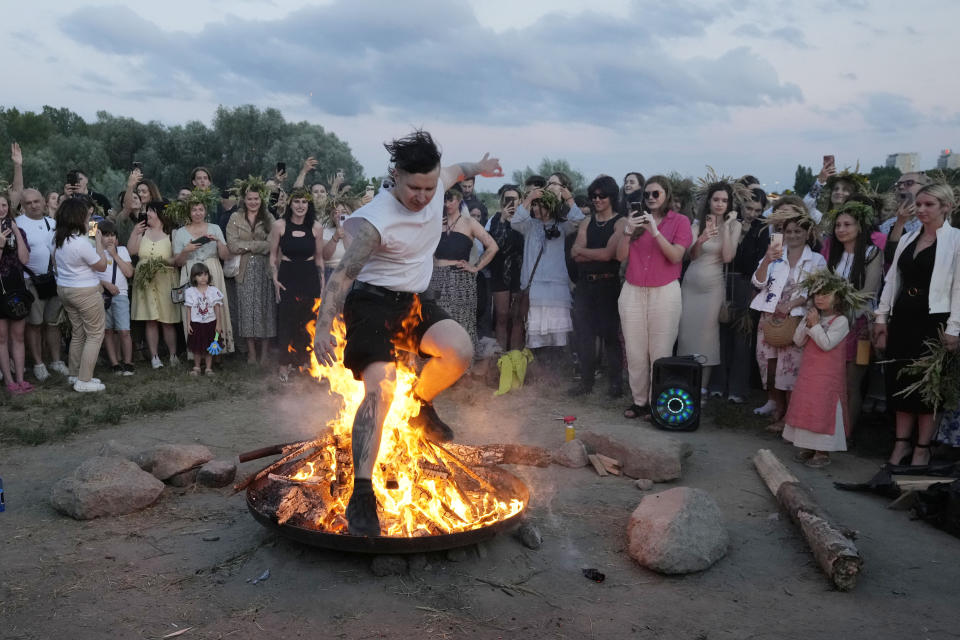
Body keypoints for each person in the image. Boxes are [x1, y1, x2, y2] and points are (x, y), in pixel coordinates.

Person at [313, 130, 501, 537]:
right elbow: (343, 275)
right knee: (381, 388)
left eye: (429, 187)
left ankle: (419, 405)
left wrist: (481, 168)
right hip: (371, 303)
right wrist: (324, 327)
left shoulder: (437, 184)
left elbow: (460, 170)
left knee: (459, 350)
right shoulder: (375, 222)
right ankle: (362, 491)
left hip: (412, 300)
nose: (422, 196)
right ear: (395, 176)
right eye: (414, 187)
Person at [874, 184, 960, 466]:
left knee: (927, 388)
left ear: (946, 207)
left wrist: (954, 328)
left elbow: (959, 288)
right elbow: (891, 280)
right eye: (919, 204)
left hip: (934, 321)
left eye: (929, 205)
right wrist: (881, 318)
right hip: (902, 319)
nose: (921, 210)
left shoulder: (956, 240)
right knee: (900, 381)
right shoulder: (909, 238)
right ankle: (900, 445)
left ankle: (922, 448)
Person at [616, 175, 693, 419]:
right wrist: (628, 231)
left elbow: (676, 257)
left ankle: (658, 403)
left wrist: (655, 231)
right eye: (646, 194)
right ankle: (640, 402)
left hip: (665, 291)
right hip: (633, 289)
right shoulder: (634, 221)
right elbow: (619, 257)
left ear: (666, 195)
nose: (650, 198)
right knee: (635, 350)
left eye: (655, 194)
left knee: (660, 351)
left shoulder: (680, 221)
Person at [750, 200, 827, 430]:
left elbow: (818, 289)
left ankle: (790, 417)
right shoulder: (775, 254)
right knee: (770, 364)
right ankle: (778, 406)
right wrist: (766, 259)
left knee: (791, 367)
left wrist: (794, 302)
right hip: (770, 316)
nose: (792, 235)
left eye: (798, 231)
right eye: (788, 231)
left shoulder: (816, 260)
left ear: (807, 233)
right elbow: (757, 281)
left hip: (796, 317)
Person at [783, 272, 856, 468]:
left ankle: (822, 451)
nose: (820, 298)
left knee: (824, 409)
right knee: (808, 406)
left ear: (838, 297)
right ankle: (808, 446)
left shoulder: (840, 321)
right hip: (809, 374)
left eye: (826, 294)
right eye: (817, 294)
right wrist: (806, 324)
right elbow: (798, 341)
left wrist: (815, 325)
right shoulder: (814, 317)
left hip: (827, 377)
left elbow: (826, 344)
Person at [823, 199, 883, 436]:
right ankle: (827, 429)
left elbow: (869, 292)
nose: (841, 229)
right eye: (838, 225)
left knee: (851, 383)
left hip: (859, 325)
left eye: (847, 224)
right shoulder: (835, 255)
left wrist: (844, 314)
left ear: (860, 226)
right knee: (831, 382)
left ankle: (845, 433)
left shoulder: (871, 252)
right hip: (832, 323)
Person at [678, 182, 739, 395]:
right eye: (716, 199)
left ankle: (702, 389)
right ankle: (685, 383)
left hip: (712, 288)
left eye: (724, 200)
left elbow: (729, 257)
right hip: (690, 284)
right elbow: (691, 256)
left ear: (729, 203)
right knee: (686, 335)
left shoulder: (734, 225)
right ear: (709, 201)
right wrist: (701, 239)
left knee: (706, 336)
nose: (720, 204)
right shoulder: (697, 225)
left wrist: (727, 226)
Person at [709, 187, 770, 403]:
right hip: (722, 280)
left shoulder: (762, 229)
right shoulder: (729, 222)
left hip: (746, 283)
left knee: (742, 339)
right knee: (719, 333)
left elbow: (755, 261)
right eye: (748, 207)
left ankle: (737, 389)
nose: (752, 213)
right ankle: (716, 384)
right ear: (740, 205)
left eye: (757, 209)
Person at [511, 182, 584, 357]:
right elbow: (515, 222)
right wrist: (529, 198)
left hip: (556, 287)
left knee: (557, 333)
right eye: (535, 205)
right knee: (535, 331)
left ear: (550, 207)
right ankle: (538, 368)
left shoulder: (562, 226)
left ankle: (557, 368)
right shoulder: (529, 225)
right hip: (534, 285)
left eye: (540, 205)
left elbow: (579, 220)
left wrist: (569, 199)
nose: (536, 209)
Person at [569, 175, 625, 397]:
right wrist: (591, 254)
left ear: (612, 197)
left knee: (610, 336)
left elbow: (609, 255)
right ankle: (586, 382)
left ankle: (615, 384)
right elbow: (575, 254)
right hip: (585, 286)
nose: (597, 199)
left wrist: (587, 253)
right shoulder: (586, 221)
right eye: (594, 196)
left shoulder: (621, 222)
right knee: (584, 335)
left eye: (602, 196)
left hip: (608, 285)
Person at [427, 185, 498, 352]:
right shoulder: (436, 223)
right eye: (443, 200)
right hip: (435, 279)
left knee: (462, 324)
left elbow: (492, 246)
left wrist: (475, 267)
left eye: (450, 199)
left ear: (458, 200)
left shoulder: (469, 223)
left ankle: (465, 370)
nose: (446, 204)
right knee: (436, 325)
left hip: (461, 280)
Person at [269, 188, 324, 382]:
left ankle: (305, 363)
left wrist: (323, 285)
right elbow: (273, 256)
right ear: (290, 204)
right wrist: (275, 278)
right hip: (287, 276)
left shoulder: (316, 227)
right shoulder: (279, 225)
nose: (300, 206)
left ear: (308, 205)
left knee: (307, 322)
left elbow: (319, 259)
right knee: (286, 322)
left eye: (304, 202)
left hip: (309, 276)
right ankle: (284, 365)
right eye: (297, 201)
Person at [54, 197, 109, 392]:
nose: (89, 219)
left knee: (78, 333)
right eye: (86, 216)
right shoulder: (80, 243)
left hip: (65, 289)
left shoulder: (59, 238)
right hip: (84, 291)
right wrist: (100, 244)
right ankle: (84, 380)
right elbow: (102, 265)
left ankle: (74, 374)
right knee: (95, 334)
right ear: (78, 217)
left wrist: (93, 235)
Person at [16, 188, 68, 381]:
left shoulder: (52, 223)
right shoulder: (18, 224)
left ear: (44, 203)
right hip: (30, 280)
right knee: (35, 324)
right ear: (22, 205)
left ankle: (56, 361)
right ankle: (38, 364)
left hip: (53, 278)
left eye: (36, 201)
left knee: (53, 323)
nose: (33, 205)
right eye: (28, 203)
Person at [172, 193, 234, 355]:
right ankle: (197, 351)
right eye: (194, 210)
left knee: (215, 309)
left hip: (212, 270)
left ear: (206, 211)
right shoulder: (180, 233)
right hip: (191, 272)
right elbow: (178, 262)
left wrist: (218, 242)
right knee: (195, 310)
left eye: (201, 209)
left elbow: (225, 256)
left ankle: (218, 350)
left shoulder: (215, 228)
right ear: (189, 212)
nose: (198, 213)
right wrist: (186, 250)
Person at [226, 181, 276, 365]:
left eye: (256, 198)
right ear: (244, 199)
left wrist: (246, 246)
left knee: (266, 310)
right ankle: (251, 353)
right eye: (250, 199)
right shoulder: (235, 218)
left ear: (261, 199)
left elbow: (272, 244)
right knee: (246, 311)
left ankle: (264, 353)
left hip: (265, 270)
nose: (253, 202)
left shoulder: (269, 217)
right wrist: (258, 246)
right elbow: (232, 245)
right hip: (244, 270)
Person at [129, 200, 180, 369]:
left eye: (150, 211)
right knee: (150, 319)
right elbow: (132, 251)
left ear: (159, 213)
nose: (147, 214)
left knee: (167, 320)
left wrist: (161, 262)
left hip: (165, 279)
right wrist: (135, 233)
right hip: (145, 280)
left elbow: (177, 259)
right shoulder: (142, 231)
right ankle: (154, 357)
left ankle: (173, 354)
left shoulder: (172, 233)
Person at [486, 185, 525, 351]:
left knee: (517, 317)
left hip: (519, 271)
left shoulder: (525, 220)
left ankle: (515, 356)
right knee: (501, 316)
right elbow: (495, 245)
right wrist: (503, 220)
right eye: (507, 199)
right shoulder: (495, 219)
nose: (511, 203)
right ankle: (501, 356)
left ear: (520, 200)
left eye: (514, 199)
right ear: (502, 201)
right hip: (499, 271)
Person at [0, 192, 32, 393]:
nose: (1, 209)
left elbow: (25, 259)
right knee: (2, 338)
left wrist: (17, 233)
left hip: (17, 285)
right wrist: (1, 244)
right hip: (0, 288)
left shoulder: (18, 230)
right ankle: (9, 380)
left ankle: (21, 378)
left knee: (18, 335)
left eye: (3, 205)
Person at [96, 221, 135, 375]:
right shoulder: (95, 252)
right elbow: (91, 275)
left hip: (121, 295)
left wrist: (114, 255)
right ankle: (114, 363)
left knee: (124, 330)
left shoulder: (122, 250)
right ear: (99, 237)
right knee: (108, 331)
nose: (110, 239)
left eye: (112, 235)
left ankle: (128, 362)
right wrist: (105, 284)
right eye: (106, 235)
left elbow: (129, 273)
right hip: (102, 295)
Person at [880, 172, 933, 264]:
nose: (901, 187)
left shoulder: (936, 221)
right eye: (898, 184)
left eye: (909, 183)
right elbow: (889, 257)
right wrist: (899, 223)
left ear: (926, 188)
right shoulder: (887, 224)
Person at [184, 263, 223, 376]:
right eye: (200, 275)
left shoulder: (213, 290)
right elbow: (189, 309)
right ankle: (196, 367)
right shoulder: (190, 291)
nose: (203, 277)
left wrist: (218, 324)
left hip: (210, 323)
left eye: (205, 274)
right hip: (196, 324)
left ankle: (208, 368)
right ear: (194, 277)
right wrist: (188, 324)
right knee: (196, 347)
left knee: (210, 346)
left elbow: (217, 308)